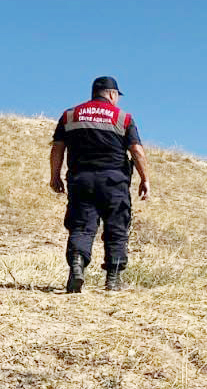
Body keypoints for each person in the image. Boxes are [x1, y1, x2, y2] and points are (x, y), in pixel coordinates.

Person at [49, 76, 151, 292]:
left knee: (81, 226)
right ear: (112, 94)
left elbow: (57, 148)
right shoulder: (123, 118)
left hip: (81, 180)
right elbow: (136, 150)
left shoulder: (70, 115)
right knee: (116, 227)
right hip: (114, 182)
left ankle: (77, 264)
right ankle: (113, 279)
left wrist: (55, 176)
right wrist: (145, 179)